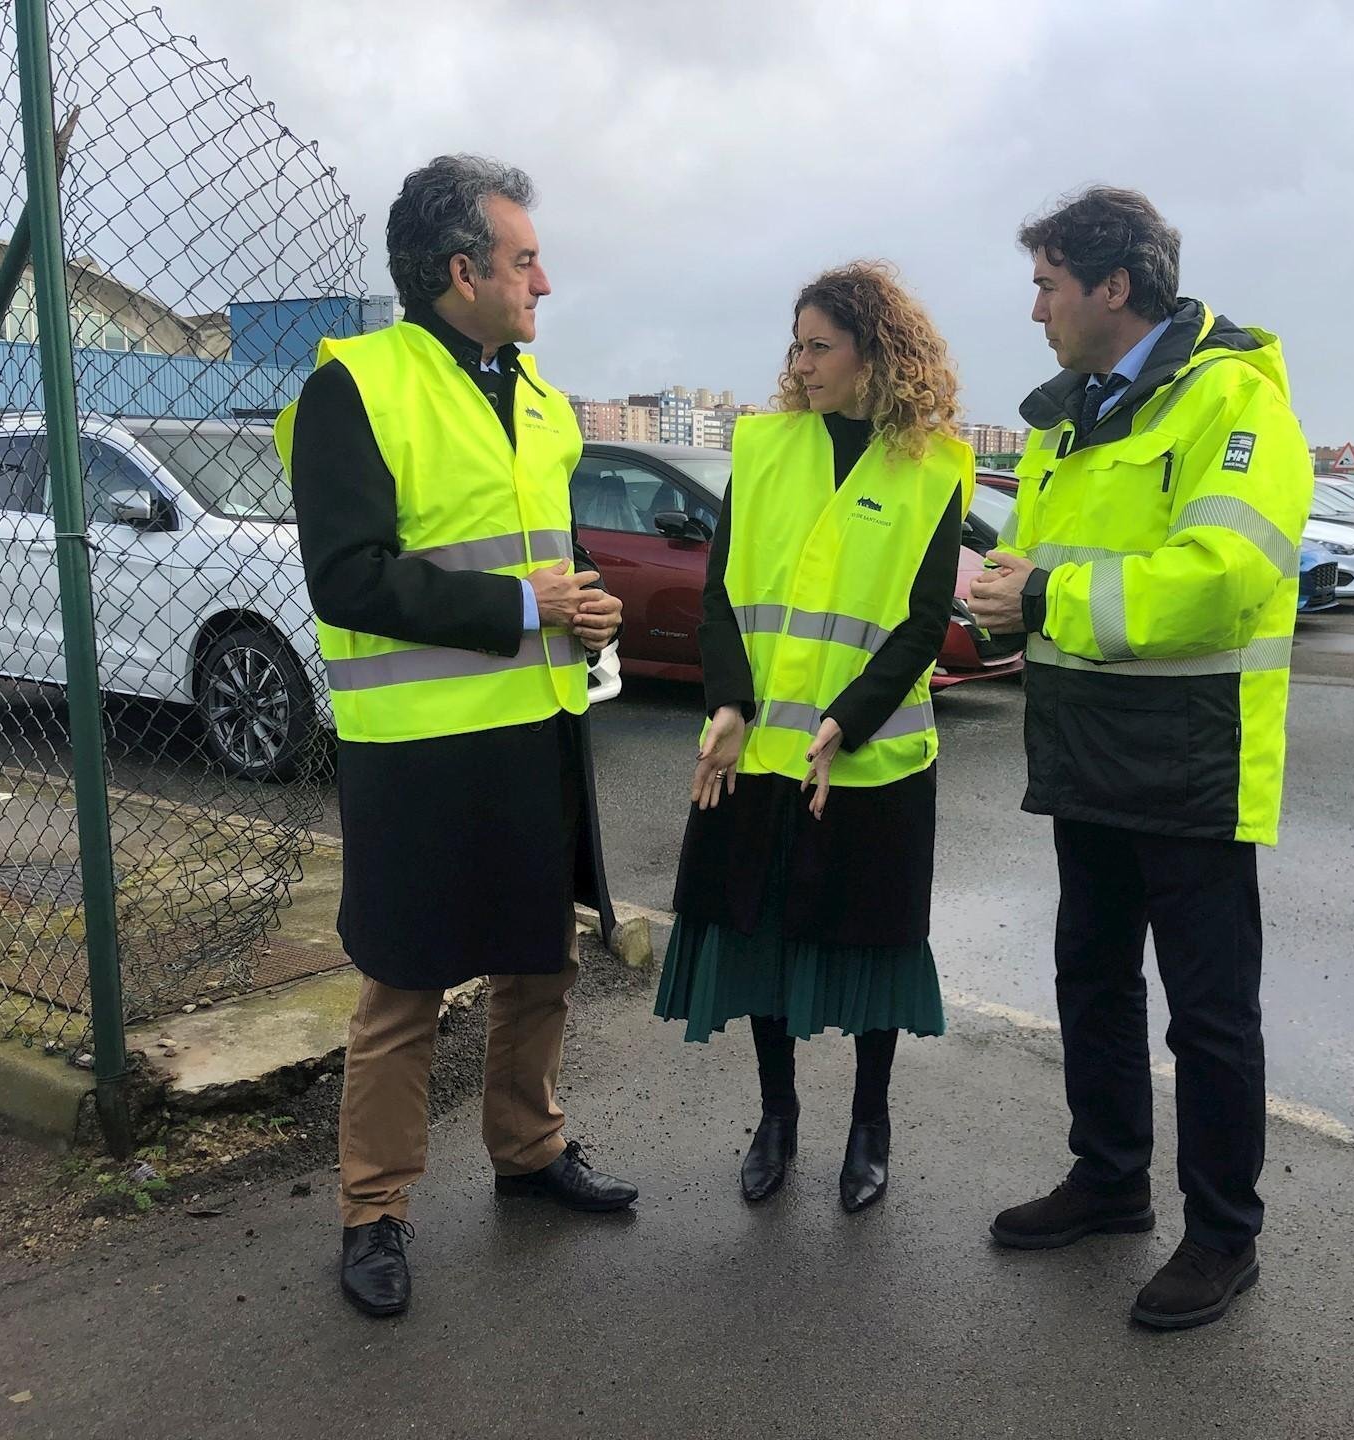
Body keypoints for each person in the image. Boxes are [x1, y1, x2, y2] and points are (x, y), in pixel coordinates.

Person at [279, 154, 638, 1320]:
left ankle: (529, 1152)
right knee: (406, 988)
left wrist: (585, 601)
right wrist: (529, 604)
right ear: (461, 270)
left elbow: (549, 547)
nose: (546, 281)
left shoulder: (538, 397)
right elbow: (347, 578)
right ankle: (373, 1210)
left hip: (539, 731)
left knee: (542, 959)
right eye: (526, 260)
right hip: (420, 748)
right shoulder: (354, 386)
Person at [967, 186, 1313, 1331]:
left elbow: (1223, 576)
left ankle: (1222, 1235)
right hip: (1084, 747)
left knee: (1209, 1014)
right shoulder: (1067, 419)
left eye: (1048, 286)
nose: (1036, 310)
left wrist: (1046, 595)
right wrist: (998, 600)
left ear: (1115, 287)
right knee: (1094, 976)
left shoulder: (1233, 398)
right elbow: (1030, 565)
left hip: (1191, 753)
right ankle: (1111, 1179)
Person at [654, 261, 973, 1214]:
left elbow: (925, 620)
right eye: (795, 345)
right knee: (765, 935)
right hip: (758, 749)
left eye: (819, 346)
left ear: (876, 353)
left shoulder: (935, 465)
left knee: (873, 943)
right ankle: (778, 1116)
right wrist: (729, 702)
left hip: (872, 756)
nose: (800, 364)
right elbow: (721, 594)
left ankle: (871, 1125)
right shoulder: (763, 447)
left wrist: (848, 721)